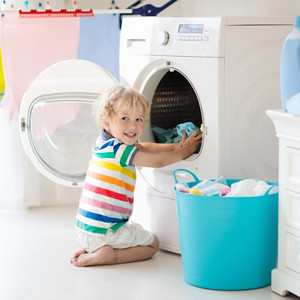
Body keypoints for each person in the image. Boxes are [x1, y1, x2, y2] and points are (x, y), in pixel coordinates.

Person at [70, 85, 202, 267]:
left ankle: (88, 248)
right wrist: (186, 150)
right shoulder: (120, 150)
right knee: (153, 244)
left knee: (105, 236)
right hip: (106, 231)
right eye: (125, 118)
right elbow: (158, 161)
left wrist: (175, 147)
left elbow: (144, 147)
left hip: (82, 230)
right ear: (106, 122)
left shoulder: (104, 143)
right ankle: (109, 256)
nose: (133, 126)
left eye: (139, 119)